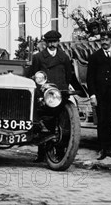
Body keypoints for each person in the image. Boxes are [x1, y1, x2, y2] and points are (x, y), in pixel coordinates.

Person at [27, 30, 73, 162]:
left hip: (59, 94)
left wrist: (62, 89)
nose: (52, 44)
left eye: (54, 42)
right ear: (46, 43)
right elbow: (33, 75)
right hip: (43, 94)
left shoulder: (64, 57)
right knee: (43, 122)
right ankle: (41, 153)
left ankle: (59, 152)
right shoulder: (38, 57)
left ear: (58, 42)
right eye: (50, 42)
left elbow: (68, 75)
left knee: (60, 123)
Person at [87, 31, 111, 160]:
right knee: (102, 121)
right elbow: (90, 78)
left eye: (106, 40)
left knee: (109, 121)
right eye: (102, 40)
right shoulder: (94, 57)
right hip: (100, 94)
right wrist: (92, 95)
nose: (104, 42)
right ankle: (102, 148)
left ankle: (107, 147)